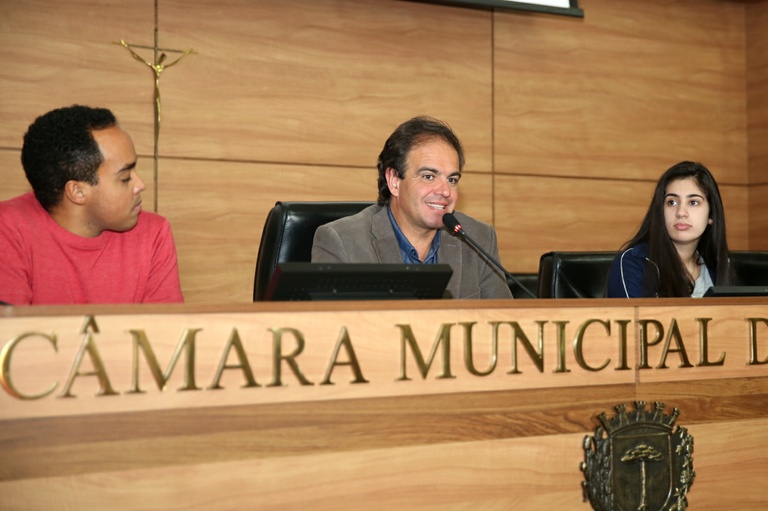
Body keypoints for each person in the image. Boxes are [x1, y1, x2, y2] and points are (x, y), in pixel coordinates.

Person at [0, 105, 184, 305]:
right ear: (78, 192)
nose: (140, 185)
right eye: (125, 178)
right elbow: (10, 333)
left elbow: (163, 332)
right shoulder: (8, 229)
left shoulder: (153, 233)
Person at [312, 116, 512, 299]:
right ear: (394, 181)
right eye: (428, 176)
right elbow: (334, 331)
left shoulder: (478, 239)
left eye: (452, 179)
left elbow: (506, 326)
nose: (445, 191)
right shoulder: (342, 241)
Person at [607, 161, 733, 298]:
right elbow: (636, 318)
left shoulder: (717, 265)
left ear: (711, 215)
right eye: (672, 202)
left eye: (693, 202)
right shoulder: (634, 263)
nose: (681, 212)